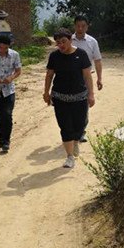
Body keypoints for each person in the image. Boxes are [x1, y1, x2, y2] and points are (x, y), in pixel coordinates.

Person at [43, 27, 95, 169]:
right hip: (60, 97)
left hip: (80, 97)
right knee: (65, 127)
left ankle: (76, 141)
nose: (61, 45)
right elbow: (49, 75)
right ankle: (70, 156)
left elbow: (87, 76)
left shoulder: (81, 54)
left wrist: (91, 94)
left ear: (70, 40)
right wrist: (46, 93)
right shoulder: (54, 56)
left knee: (79, 125)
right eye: (58, 43)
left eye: (63, 41)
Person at [0, 35, 22, 152]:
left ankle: (6, 141)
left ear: (9, 46)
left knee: (7, 114)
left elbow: (18, 71)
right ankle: (1, 138)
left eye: (5, 48)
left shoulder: (14, 55)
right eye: (1, 47)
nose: (3, 50)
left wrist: (11, 77)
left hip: (9, 90)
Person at [71, 15, 103, 142]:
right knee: (71, 105)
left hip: (86, 78)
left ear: (87, 27)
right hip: (70, 78)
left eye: (83, 26)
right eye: (78, 26)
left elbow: (98, 61)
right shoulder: (68, 40)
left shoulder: (92, 42)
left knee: (84, 106)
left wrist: (99, 78)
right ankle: (72, 130)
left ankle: (81, 131)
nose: (80, 28)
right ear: (74, 26)